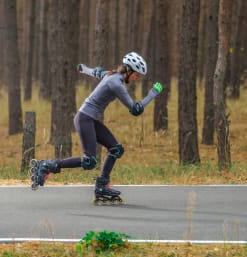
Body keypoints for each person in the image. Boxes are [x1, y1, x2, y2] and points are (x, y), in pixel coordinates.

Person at [30, 52, 163, 204]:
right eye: (137, 76)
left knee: (116, 149)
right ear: (128, 70)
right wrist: (152, 94)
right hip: (85, 118)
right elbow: (135, 110)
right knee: (89, 161)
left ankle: (102, 185)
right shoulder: (116, 83)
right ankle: (48, 165)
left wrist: (83, 69)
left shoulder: (111, 75)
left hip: (90, 119)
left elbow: (97, 71)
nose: (137, 79)